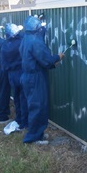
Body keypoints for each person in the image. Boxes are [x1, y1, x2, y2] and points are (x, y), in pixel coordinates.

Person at [19, 16, 64, 144]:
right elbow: (46, 59)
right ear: (37, 29)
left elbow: (34, 58)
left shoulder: (26, 38)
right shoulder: (35, 42)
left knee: (33, 105)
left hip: (28, 76)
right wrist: (57, 57)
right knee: (38, 107)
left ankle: (38, 133)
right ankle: (33, 137)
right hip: (35, 78)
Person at [0, 23, 27, 131]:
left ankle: (19, 119)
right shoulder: (21, 42)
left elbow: (3, 65)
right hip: (21, 73)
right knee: (24, 98)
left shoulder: (4, 46)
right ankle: (25, 122)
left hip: (11, 75)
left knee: (16, 98)